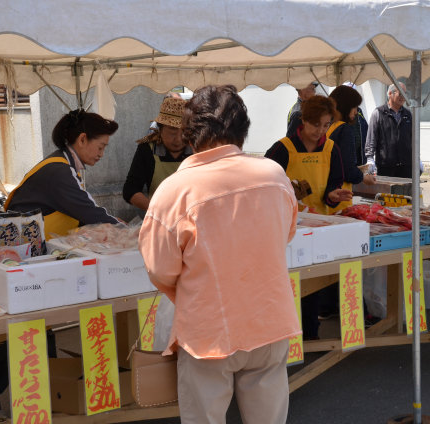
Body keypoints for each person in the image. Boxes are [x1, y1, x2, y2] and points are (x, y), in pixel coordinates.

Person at [139, 85, 301, 424]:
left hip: (208, 328)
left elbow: (159, 268)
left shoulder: (176, 190)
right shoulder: (274, 175)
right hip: (269, 318)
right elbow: (284, 234)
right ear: (243, 130)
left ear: (190, 134)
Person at [0, 110, 119, 423]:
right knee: (4, 331)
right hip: (11, 257)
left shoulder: (68, 166)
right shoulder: (58, 171)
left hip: (34, 258)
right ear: (81, 139)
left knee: (40, 325)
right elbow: (89, 211)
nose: (102, 154)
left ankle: (44, 397)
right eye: (100, 147)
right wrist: (129, 230)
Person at [266, 95, 352, 339]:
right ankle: (284, 333)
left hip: (320, 224)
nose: (320, 131)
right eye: (316, 125)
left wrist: (333, 196)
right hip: (287, 226)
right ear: (304, 121)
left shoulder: (330, 148)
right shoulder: (283, 148)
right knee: (287, 280)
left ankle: (310, 333)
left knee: (312, 281)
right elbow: (266, 181)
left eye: (326, 125)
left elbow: (333, 186)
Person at [122, 96, 191, 211]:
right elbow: (130, 190)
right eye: (172, 131)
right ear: (160, 129)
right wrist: (157, 212)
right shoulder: (147, 150)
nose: (179, 140)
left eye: (184, 132)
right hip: (158, 220)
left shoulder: (197, 149)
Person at [327, 84, 376, 211]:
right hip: (340, 196)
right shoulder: (345, 129)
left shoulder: (330, 127)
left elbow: (337, 161)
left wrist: (357, 168)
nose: (356, 111)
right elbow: (347, 169)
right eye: (354, 107)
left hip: (328, 193)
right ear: (345, 106)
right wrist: (364, 178)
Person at [365, 82, 413, 178]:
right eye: (400, 94)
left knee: (406, 192)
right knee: (386, 193)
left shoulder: (408, 114)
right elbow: (371, 138)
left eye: (405, 94)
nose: (403, 97)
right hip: (386, 166)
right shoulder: (379, 113)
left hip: (406, 166)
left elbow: (413, 139)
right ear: (390, 94)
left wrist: (417, 158)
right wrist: (370, 158)